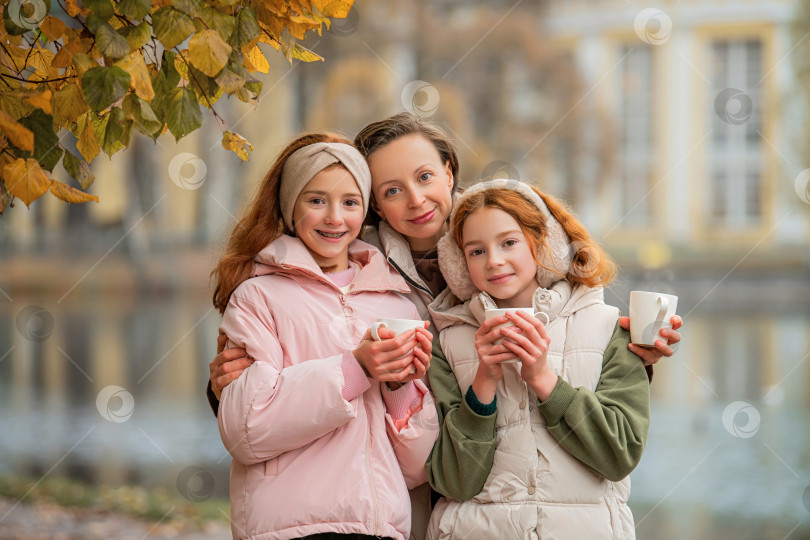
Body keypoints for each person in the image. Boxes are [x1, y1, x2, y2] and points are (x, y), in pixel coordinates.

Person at [207, 113, 684, 539]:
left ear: (449, 172)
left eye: (425, 176)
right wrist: (224, 386)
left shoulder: (495, 228)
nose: (415, 200)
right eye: (391, 190)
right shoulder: (360, 266)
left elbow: (573, 320)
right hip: (423, 500)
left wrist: (636, 351)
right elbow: (279, 369)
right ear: (375, 205)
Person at [212, 132, 439, 540]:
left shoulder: (398, 305)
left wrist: (399, 388)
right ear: (289, 207)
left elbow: (417, 468)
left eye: (350, 202)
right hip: (288, 528)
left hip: (379, 529)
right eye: (316, 201)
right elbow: (246, 432)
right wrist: (355, 368)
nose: (335, 217)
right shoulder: (257, 297)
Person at [425, 179, 649, 539]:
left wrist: (544, 379)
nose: (494, 261)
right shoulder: (447, 343)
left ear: (543, 243)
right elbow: (454, 482)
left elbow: (619, 455)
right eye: (476, 251)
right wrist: (483, 383)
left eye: (509, 242)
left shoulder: (610, 329)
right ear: (460, 262)